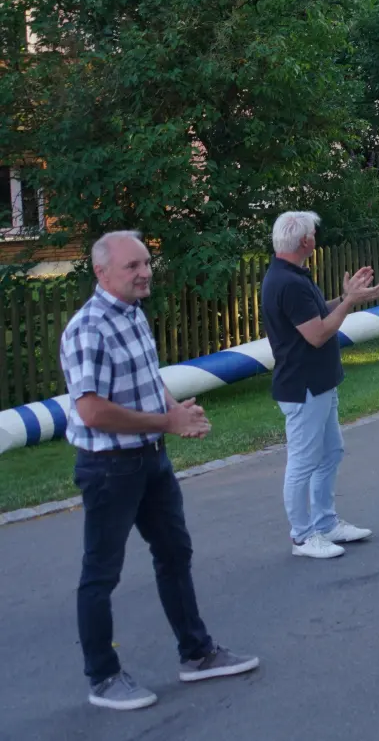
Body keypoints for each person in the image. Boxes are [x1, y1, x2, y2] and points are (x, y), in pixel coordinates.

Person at [60, 231, 258, 711]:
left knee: (174, 553)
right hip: (110, 468)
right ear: (101, 273)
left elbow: (148, 380)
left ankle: (197, 654)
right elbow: (92, 411)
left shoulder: (133, 315)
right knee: (101, 573)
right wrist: (166, 421)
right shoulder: (89, 328)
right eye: (132, 266)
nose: (145, 272)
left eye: (147, 262)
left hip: (150, 460)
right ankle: (103, 679)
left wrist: (176, 414)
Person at [262, 211, 379, 560]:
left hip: (318, 383)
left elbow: (314, 318)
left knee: (331, 452)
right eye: (314, 232)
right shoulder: (289, 283)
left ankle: (325, 523)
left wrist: (348, 298)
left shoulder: (291, 276)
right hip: (304, 387)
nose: (316, 236)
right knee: (302, 462)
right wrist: (348, 302)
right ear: (305, 242)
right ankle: (303, 537)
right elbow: (316, 335)